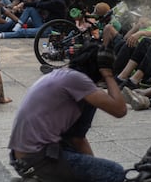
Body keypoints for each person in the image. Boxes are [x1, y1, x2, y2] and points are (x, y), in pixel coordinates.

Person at [8, 44, 127, 182]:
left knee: (85, 164)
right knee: (114, 172)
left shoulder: (62, 74)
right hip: (38, 160)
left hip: (22, 158)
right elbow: (120, 110)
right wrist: (108, 75)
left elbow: (76, 138)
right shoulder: (79, 81)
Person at [0, 0, 67, 39]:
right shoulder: (52, 0)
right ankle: (18, 25)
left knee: (23, 31)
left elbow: (41, 5)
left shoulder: (58, 2)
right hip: (45, 24)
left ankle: (1, 35)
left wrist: (24, 3)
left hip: (51, 30)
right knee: (30, 9)